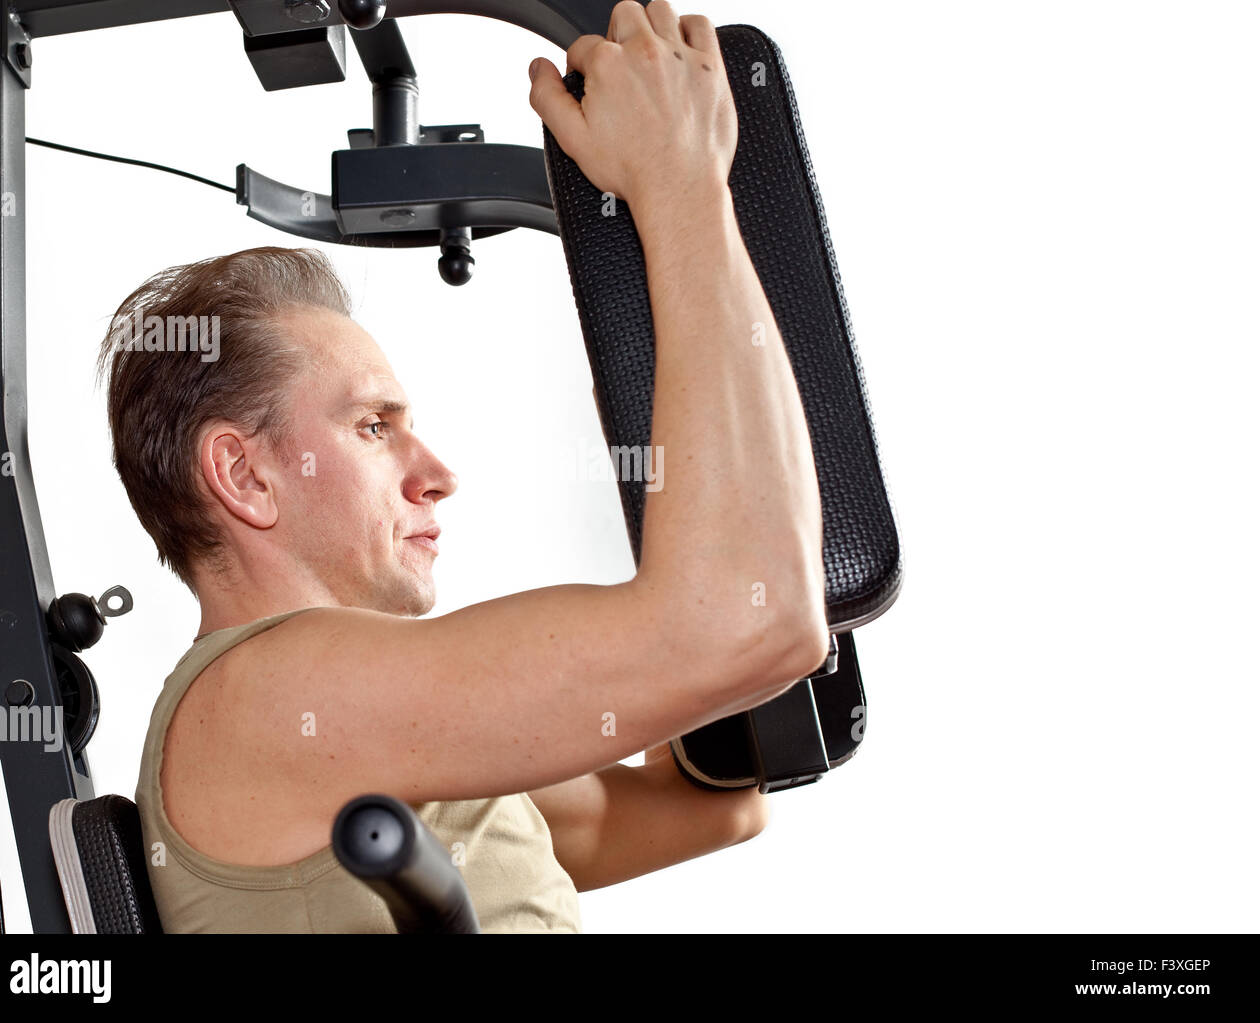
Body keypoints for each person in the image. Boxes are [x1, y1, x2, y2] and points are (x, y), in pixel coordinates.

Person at [110, 0, 829, 933]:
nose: (436, 471)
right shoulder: (270, 697)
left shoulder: (366, 720)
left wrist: (746, 536)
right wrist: (678, 182)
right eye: (373, 427)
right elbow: (746, 623)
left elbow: (705, 806)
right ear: (244, 477)